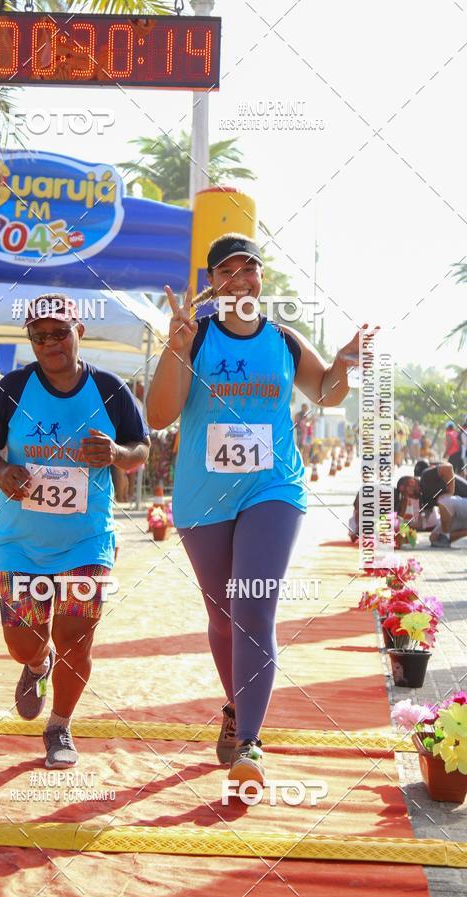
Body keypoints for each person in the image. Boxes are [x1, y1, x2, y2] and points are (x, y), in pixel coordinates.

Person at [146, 233, 369, 792]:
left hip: (274, 489)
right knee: (223, 617)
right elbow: (157, 416)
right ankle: (235, 706)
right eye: (228, 271)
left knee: (253, 609)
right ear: (212, 282)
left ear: (261, 279)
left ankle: (250, 741)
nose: (241, 281)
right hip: (204, 498)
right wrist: (175, 347)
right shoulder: (194, 340)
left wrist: (344, 361)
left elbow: (327, 394)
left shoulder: (284, 341)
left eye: (251, 271)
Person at [0, 294, 150, 769]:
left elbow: (141, 450)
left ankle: (60, 727)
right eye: (40, 336)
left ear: (79, 332)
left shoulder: (110, 389)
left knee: (76, 637)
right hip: (20, 544)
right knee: (23, 642)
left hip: (86, 539)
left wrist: (116, 453)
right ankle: (35, 664)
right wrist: (1, 472)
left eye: (59, 333)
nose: (50, 343)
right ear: (31, 340)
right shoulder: (13, 387)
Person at [396, 462, 467, 545]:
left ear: (411, 482)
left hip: (464, 501)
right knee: (434, 538)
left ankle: (445, 535)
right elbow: (421, 523)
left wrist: (450, 492)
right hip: (459, 512)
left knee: (443, 500)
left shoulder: (425, 476)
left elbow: (448, 467)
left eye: (405, 492)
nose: (407, 496)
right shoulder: (423, 499)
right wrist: (401, 524)